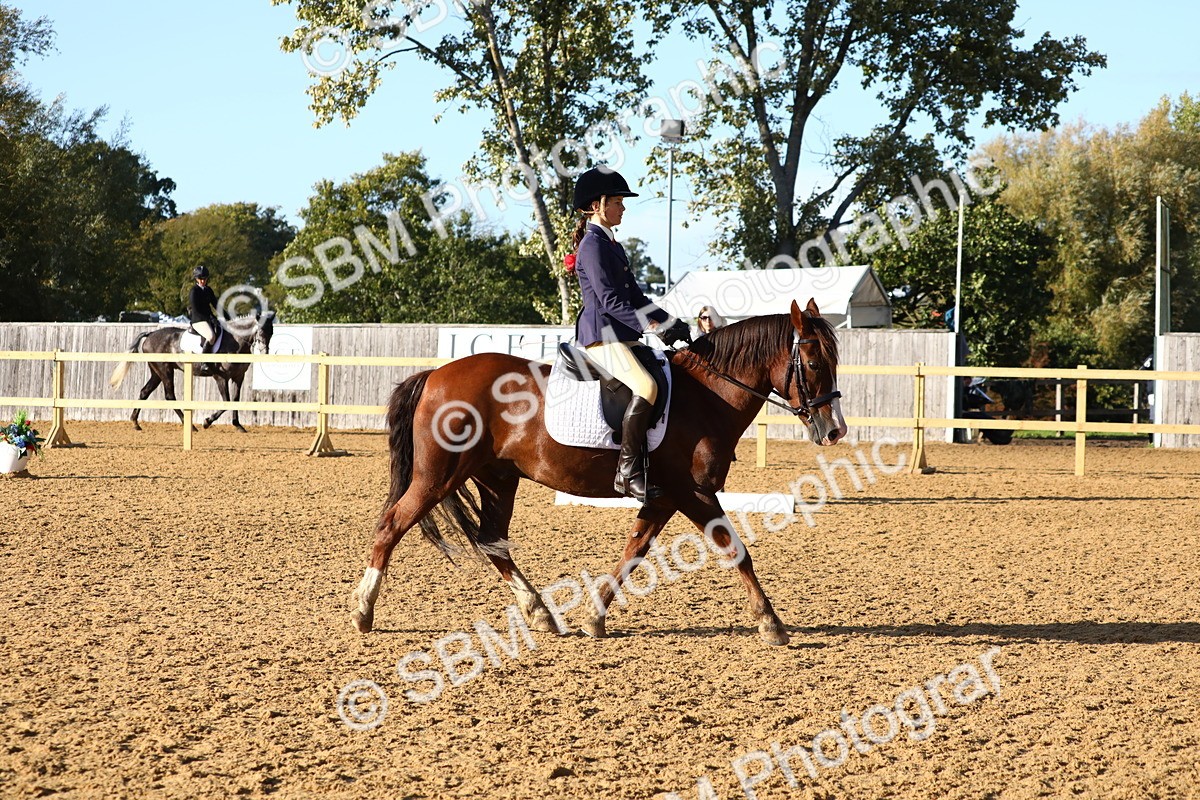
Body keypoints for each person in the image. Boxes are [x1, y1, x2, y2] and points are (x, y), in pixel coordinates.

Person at [569, 166, 689, 502]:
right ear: (598, 205)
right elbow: (609, 301)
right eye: (618, 201)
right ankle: (627, 471)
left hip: (620, 334)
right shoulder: (592, 246)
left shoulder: (611, 245)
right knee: (647, 386)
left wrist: (669, 321)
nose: (623, 208)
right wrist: (650, 327)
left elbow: (635, 296)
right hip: (600, 334)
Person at [188, 266, 220, 353]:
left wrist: (229, 318)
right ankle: (205, 362)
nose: (202, 281)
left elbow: (216, 305)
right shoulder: (194, 291)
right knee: (211, 337)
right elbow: (196, 309)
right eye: (200, 279)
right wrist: (210, 318)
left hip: (208, 319)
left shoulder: (208, 290)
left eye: (204, 279)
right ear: (196, 279)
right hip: (198, 321)